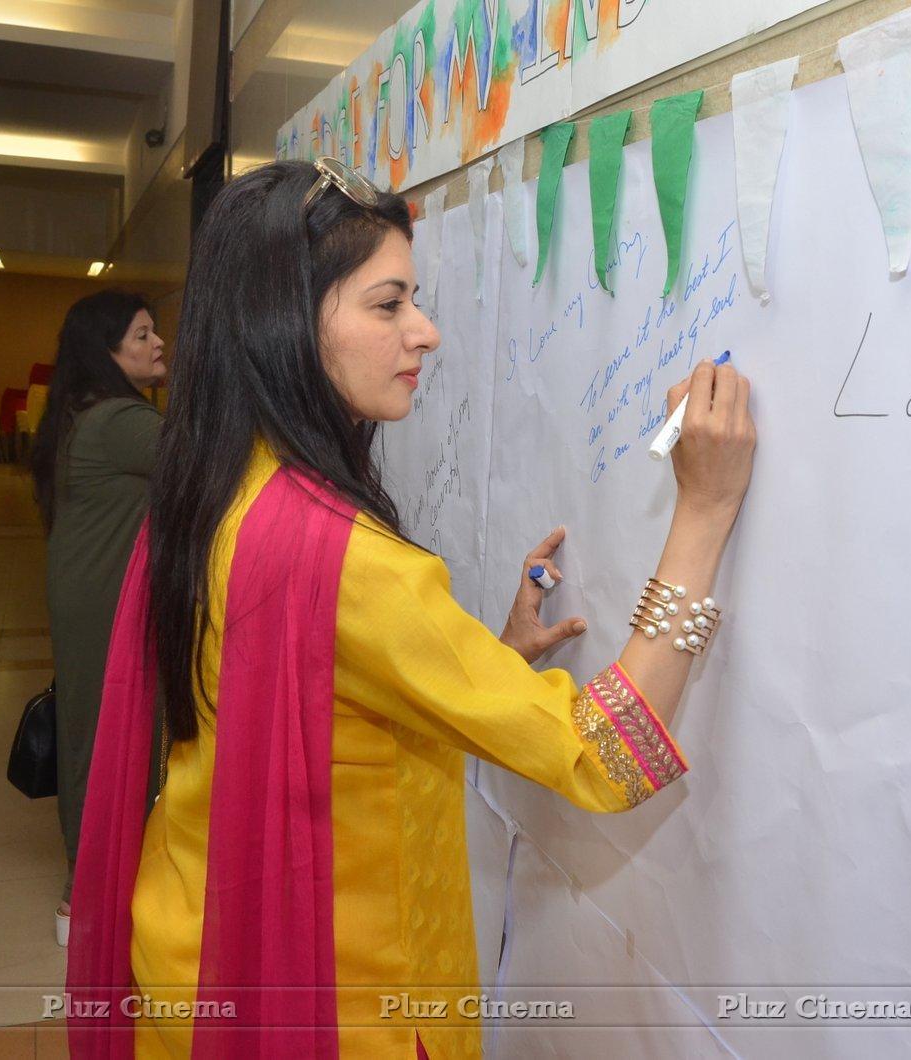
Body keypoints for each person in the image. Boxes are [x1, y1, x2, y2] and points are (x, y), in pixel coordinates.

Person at [66, 158, 756, 1058]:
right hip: (332, 1005)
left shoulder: (213, 483)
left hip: (195, 953)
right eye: (388, 305)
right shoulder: (342, 557)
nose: (425, 331)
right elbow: (604, 757)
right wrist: (703, 513)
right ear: (284, 324)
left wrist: (485, 658)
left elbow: (306, 699)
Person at [30, 291, 166, 947]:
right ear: (106, 352)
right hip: (106, 602)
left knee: (98, 731)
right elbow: (213, 464)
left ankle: (102, 884)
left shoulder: (84, 412)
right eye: (142, 335)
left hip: (92, 594)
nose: (158, 344)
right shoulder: (119, 419)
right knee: (105, 738)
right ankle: (83, 896)